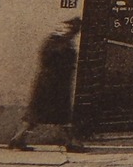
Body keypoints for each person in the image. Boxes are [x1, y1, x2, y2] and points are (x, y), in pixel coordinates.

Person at [8, 17, 82, 150]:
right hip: (51, 86)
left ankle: (17, 140)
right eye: (72, 30)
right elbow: (51, 61)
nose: (73, 33)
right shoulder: (57, 43)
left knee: (42, 116)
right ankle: (71, 142)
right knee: (57, 117)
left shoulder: (59, 42)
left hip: (53, 85)